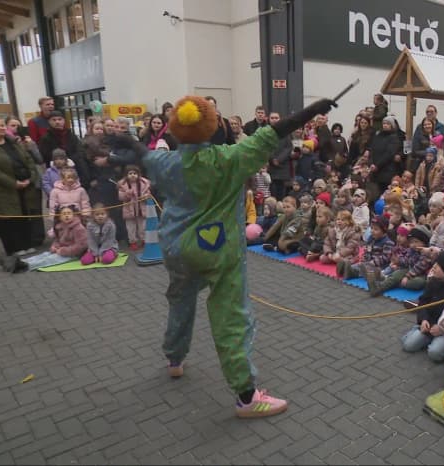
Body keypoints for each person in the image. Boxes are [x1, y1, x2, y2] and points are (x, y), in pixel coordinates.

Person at [143, 95, 336, 417]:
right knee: (231, 317)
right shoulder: (230, 158)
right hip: (218, 251)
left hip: (176, 247)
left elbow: (139, 157)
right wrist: (313, 110)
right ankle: (247, 396)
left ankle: (174, 358)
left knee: (180, 299)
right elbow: (273, 133)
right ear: (211, 127)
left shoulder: (166, 161)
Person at [401, 249, 444, 362]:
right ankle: (422, 334)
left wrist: (442, 329)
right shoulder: (434, 281)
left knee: (435, 354)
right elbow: (423, 301)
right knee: (408, 345)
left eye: (439, 265)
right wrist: (424, 319)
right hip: (430, 323)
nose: (434, 267)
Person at [0, 115, 43, 258]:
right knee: (9, 220)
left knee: (25, 216)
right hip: (3, 190)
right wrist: (13, 183)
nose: (1, 128)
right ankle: (13, 248)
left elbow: (28, 160)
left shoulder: (14, 142)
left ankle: (27, 244)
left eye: (2, 125)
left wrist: (30, 178)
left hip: (25, 186)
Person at [367, 225, 434, 296]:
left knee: (418, 283)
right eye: (411, 242)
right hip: (409, 269)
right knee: (397, 274)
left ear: (424, 242)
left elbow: (419, 268)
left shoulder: (427, 253)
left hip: (421, 274)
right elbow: (407, 260)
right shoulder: (412, 250)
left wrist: (407, 276)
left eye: (416, 242)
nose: (413, 245)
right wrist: (399, 261)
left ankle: (391, 282)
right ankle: (378, 288)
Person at [37, 111, 90, 187]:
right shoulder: (45, 138)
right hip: (56, 171)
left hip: (74, 168)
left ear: (64, 121)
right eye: (54, 120)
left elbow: (79, 151)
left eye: (59, 119)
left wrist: (70, 160)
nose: (57, 122)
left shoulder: (71, 135)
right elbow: (45, 155)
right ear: (49, 122)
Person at [367, 116, 402, 204]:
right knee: (373, 194)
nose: (385, 125)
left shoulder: (394, 137)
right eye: (384, 123)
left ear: (392, 126)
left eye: (388, 124)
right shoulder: (377, 136)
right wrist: (371, 163)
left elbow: (389, 154)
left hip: (386, 170)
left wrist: (377, 165)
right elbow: (372, 150)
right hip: (375, 171)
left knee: (384, 194)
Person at [117, 165, 151, 251]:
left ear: (138, 174)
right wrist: (127, 194)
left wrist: (145, 196)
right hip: (129, 210)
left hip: (141, 209)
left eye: (135, 173)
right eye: (130, 173)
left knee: (143, 227)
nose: (132, 175)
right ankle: (133, 242)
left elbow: (148, 194)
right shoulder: (123, 185)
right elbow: (120, 197)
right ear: (126, 175)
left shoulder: (144, 184)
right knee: (130, 228)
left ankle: (144, 240)